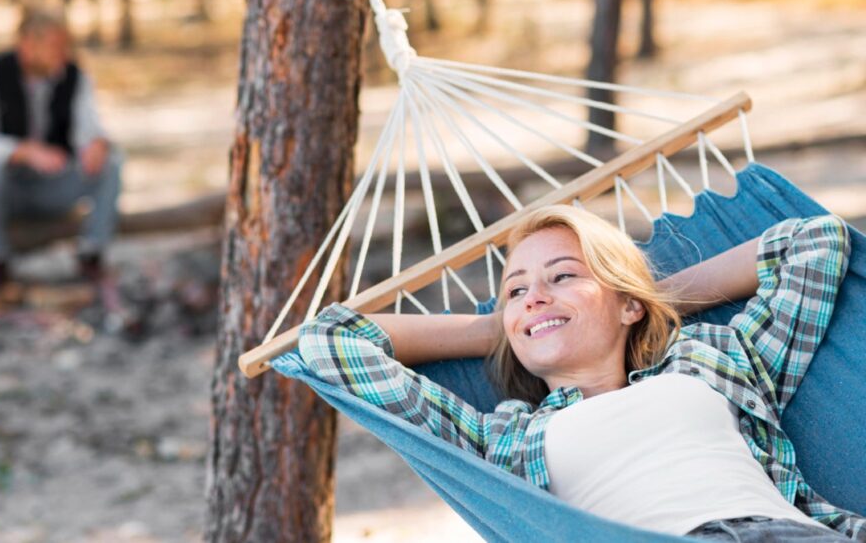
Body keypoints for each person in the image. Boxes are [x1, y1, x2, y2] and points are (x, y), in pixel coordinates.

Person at [298, 205, 865, 541]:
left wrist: (648, 299)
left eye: (564, 276)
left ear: (627, 304)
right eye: (516, 289)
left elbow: (814, 242)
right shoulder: (504, 441)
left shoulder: (713, 364)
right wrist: (502, 328)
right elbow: (331, 340)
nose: (535, 296)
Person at [0, 6, 122, 293]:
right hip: (5, 189)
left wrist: (97, 144)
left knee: (113, 161)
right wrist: (27, 152)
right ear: (26, 43)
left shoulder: (74, 77)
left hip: (51, 185)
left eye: (65, 47)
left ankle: (91, 254)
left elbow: (90, 129)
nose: (63, 54)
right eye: (54, 47)